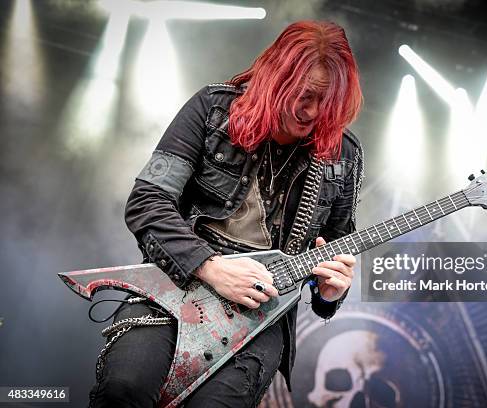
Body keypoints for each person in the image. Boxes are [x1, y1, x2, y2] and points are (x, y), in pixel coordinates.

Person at [89, 20, 364, 407]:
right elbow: (147, 200)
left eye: (327, 102)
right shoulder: (213, 109)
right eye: (306, 95)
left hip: (260, 313)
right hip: (178, 285)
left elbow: (334, 251)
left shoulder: (342, 156)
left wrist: (332, 291)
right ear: (276, 78)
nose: (314, 112)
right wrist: (211, 266)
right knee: (124, 390)